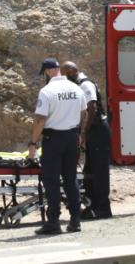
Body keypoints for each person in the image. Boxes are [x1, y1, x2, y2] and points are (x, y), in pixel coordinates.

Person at [29, 57, 87, 235]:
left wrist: (32, 143)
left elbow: (40, 120)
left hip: (53, 139)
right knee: (70, 179)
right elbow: (83, 112)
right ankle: (75, 220)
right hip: (71, 137)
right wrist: (79, 134)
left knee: (52, 181)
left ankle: (53, 221)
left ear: (47, 71)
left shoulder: (47, 91)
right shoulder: (76, 89)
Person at [62, 61, 112, 219]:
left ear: (72, 72)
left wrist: (83, 133)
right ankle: (92, 206)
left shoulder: (85, 85)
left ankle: (103, 209)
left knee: (99, 171)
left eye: (65, 75)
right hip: (93, 131)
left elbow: (92, 109)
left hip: (98, 130)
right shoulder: (78, 84)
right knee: (90, 170)